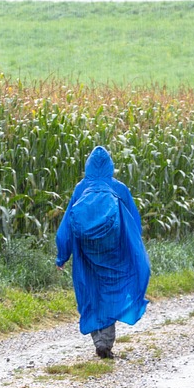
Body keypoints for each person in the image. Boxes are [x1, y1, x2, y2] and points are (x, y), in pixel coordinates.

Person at [55, 146, 150, 358]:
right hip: (113, 252)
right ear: (110, 166)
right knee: (112, 291)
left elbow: (67, 227)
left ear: (88, 166)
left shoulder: (81, 189)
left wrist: (62, 255)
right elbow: (134, 223)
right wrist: (134, 248)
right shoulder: (119, 189)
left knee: (91, 293)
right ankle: (105, 342)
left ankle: (99, 341)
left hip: (86, 253)